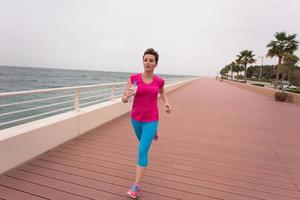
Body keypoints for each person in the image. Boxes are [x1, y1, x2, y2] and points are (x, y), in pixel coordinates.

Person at [122, 48, 171, 199]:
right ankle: (153, 134)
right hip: (136, 119)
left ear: (156, 64)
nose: (148, 63)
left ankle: (136, 186)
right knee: (142, 145)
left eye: (151, 60)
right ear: (142, 61)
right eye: (145, 60)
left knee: (142, 150)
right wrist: (126, 96)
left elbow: (162, 91)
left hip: (151, 119)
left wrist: (167, 103)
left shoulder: (159, 81)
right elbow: (124, 99)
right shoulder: (134, 78)